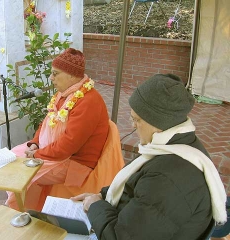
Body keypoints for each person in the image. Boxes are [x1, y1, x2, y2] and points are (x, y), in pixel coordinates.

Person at [72, 74, 227, 239]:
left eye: (136, 119)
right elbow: (136, 186)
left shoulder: (168, 178)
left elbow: (121, 237)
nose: (132, 125)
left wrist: (96, 206)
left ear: (158, 123)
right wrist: (102, 195)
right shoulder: (178, 146)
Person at [6, 48, 110, 211]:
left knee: (20, 171)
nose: (51, 78)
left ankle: (21, 213)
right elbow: (47, 123)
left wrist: (37, 154)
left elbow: (67, 146)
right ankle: (26, 210)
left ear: (71, 75)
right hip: (52, 154)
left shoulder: (88, 102)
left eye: (55, 73)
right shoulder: (65, 94)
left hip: (74, 163)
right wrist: (34, 144)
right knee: (10, 158)